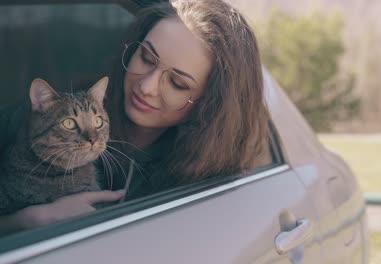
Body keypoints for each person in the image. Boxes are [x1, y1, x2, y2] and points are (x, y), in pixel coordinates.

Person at [0, 0, 269, 235]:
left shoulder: (207, 188)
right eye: (147, 58)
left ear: (208, 105)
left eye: (176, 83)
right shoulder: (26, 123)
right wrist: (28, 220)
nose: (146, 87)